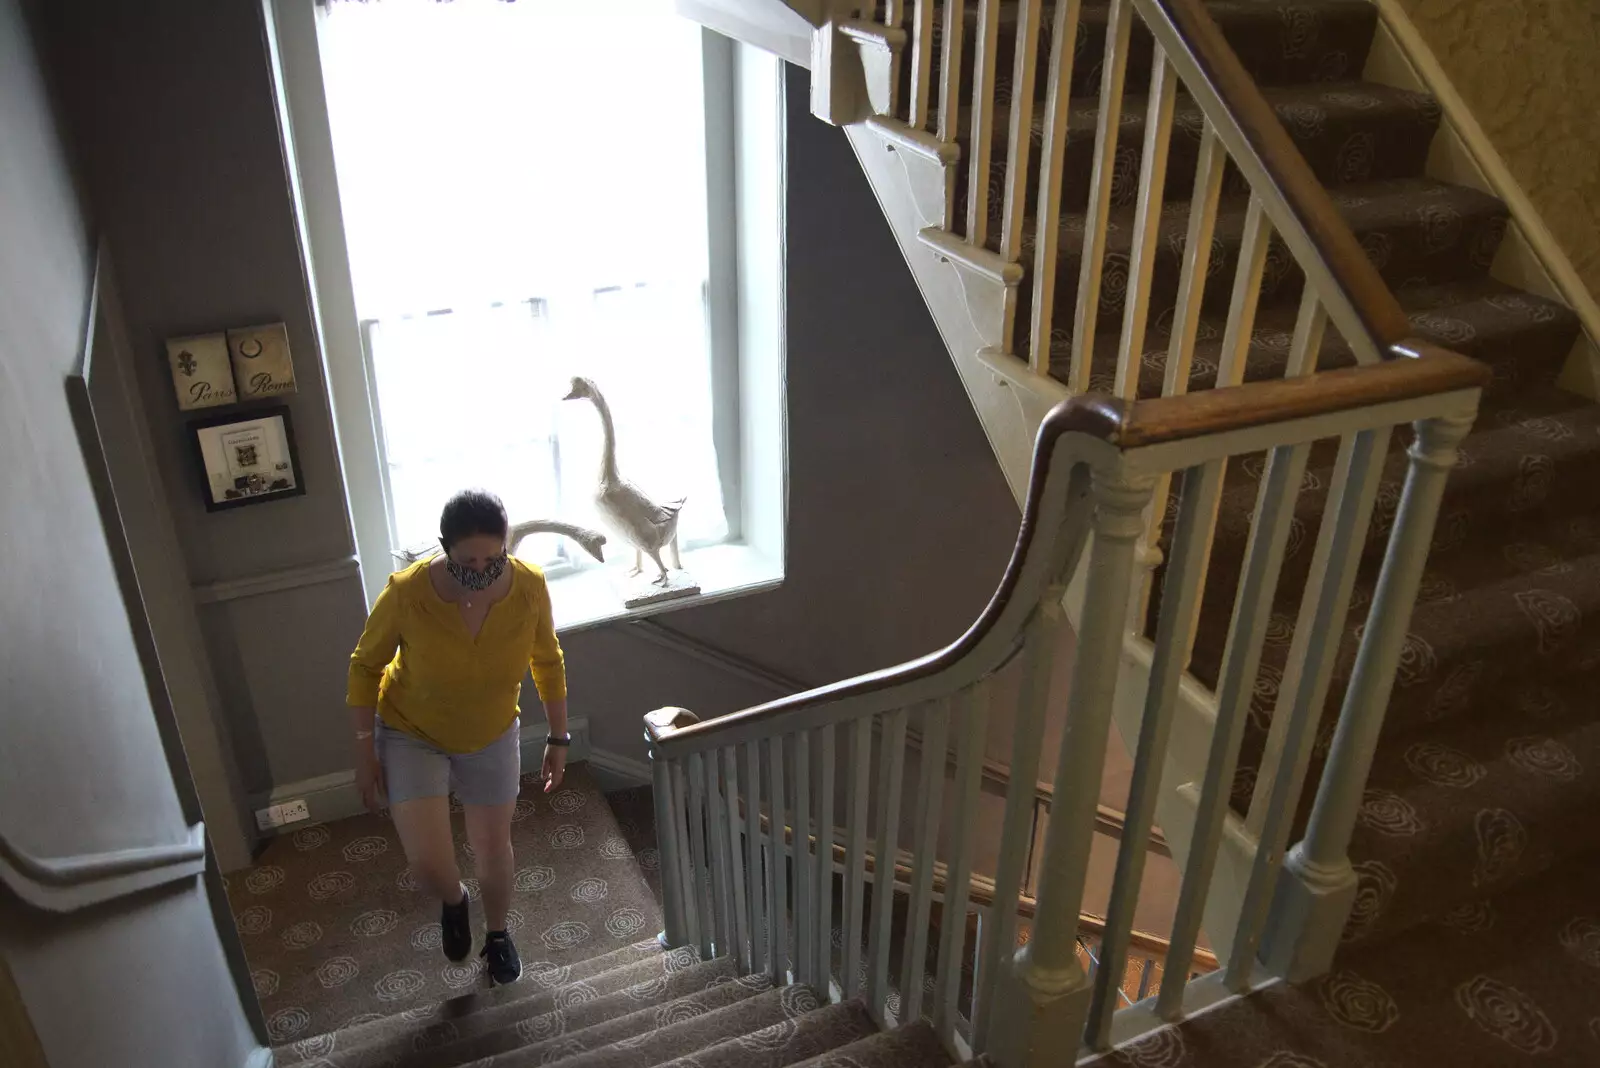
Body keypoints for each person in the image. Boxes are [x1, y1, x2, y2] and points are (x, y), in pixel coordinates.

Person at [347, 488, 569, 985]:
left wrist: (559, 737)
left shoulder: (529, 585)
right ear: (444, 547)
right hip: (412, 731)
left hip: (491, 730)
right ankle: (454, 900)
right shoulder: (408, 592)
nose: (481, 566)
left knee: (493, 846)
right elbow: (365, 667)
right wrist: (365, 751)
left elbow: (547, 661)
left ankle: (497, 934)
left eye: (494, 556)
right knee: (428, 862)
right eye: (468, 558)